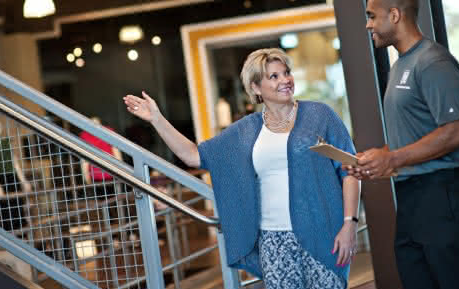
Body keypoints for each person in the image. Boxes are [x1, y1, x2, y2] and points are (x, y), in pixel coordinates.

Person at [124, 48, 360, 289]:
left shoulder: (319, 115)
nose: (285, 80)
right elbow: (194, 156)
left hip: (323, 232)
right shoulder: (245, 131)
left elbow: (349, 168)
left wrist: (350, 223)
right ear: (256, 88)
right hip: (273, 240)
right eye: (274, 76)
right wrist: (156, 119)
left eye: (286, 73)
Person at [346, 0, 459, 288]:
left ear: (394, 15)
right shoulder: (400, 67)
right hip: (412, 201)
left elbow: (456, 131)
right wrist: (376, 160)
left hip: (443, 198)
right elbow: (412, 138)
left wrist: (393, 157)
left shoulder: (433, 62)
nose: (368, 24)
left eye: (372, 16)